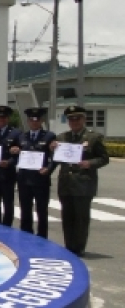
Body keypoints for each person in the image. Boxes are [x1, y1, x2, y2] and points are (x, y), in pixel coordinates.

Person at [51, 105, 109, 257]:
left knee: (81, 218)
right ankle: (69, 246)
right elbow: (55, 159)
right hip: (66, 183)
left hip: (83, 183)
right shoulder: (62, 137)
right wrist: (52, 149)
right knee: (67, 217)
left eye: (77, 119)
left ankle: (79, 248)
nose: (74, 122)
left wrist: (89, 163)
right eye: (71, 119)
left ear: (84, 119)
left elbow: (104, 158)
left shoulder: (93, 137)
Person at [12, 107, 56, 238]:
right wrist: (14, 150)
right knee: (25, 210)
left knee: (41, 211)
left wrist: (49, 169)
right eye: (31, 120)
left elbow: (54, 156)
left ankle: (42, 237)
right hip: (24, 179)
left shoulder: (49, 136)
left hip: (40, 179)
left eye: (37, 120)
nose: (34, 122)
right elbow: (15, 152)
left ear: (41, 120)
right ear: (28, 121)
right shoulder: (22, 136)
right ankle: (26, 235)